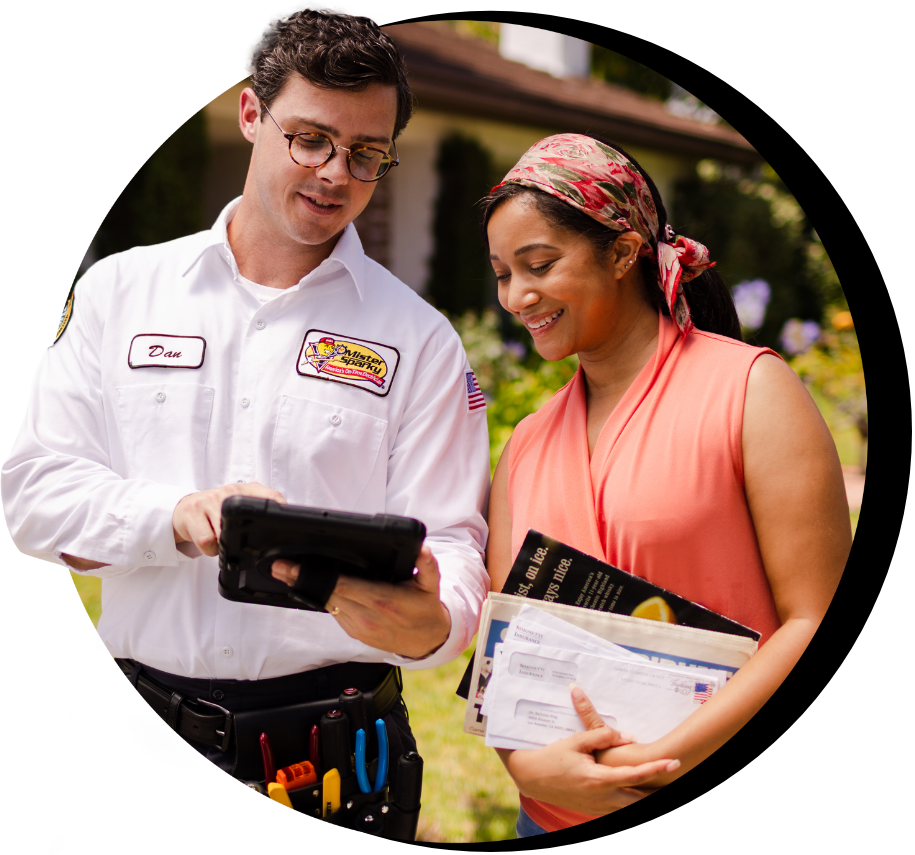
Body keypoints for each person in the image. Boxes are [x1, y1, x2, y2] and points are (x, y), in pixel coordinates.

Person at [1, 5, 490, 792]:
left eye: (368, 154)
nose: (336, 173)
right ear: (251, 114)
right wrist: (179, 517)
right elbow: (33, 497)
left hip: (338, 747)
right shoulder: (120, 292)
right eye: (312, 140)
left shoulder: (421, 339)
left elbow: (455, 543)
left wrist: (439, 620)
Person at [481, 133, 850, 835]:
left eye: (538, 264)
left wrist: (655, 762)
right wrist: (525, 769)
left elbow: (811, 618)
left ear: (622, 253)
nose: (516, 295)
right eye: (501, 273)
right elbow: (509, 645)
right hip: (549, 816)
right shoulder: (525, 442)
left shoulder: (751, 389)